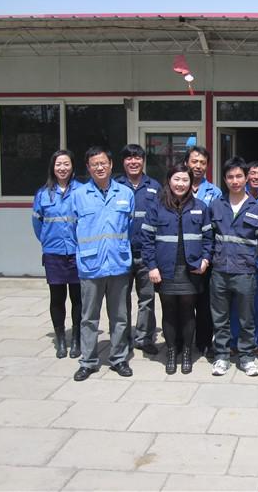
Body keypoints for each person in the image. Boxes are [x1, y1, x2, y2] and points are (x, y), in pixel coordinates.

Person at [72, 146, 135, 381]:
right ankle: (88, 361)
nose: (99, 167)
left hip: (118, 263)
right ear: (88, 168)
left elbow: (129, 227)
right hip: (91, 265)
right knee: (89, 318)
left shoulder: (125, 193)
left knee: (120, 316)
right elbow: (71, 228)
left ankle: (118, 358)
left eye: (103, 163)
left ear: (111, 165)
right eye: (94, 164)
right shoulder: (79, 195)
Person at [203, 156, 258, 377]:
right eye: (230, 177)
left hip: (245, 272)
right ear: (225, 179)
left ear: (246, 178)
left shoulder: (257, 208)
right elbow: (209, 238)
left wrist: (248, 260)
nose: (235, 181)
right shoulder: (216, 206)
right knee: (220, 318)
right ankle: (222, 356)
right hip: (219, 272)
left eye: (239, 176)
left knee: (246, 318)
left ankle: (247, 357)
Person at [141, 164, 208, 374]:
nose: (181, 184)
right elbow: (147, 240)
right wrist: (152, 266)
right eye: (176, 179)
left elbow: (209, 238)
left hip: (191, 269)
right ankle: (171, 351)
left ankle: (186, 352)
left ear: (191, 183)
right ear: (169, 181)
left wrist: (205, 260)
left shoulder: (200, 207)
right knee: (169, 311)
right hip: (165, 269)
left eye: (185, 180)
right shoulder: (156, 207)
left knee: (188, 312)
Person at [32, 150, 83, 359]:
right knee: (57, 298)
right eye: (58, 164)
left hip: (77, 252)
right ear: (53, 167)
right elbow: (37, 223)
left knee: (78, 298)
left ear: (72, 166)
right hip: (54, 253)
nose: (62, 168)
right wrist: (47, 241)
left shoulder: (81, 191)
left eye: (66, 164)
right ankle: (61, 340)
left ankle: (77, 339)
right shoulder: (43, 194)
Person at [114, 144, 160, 355]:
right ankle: (123, 337)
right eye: (129, 158)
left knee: (147, 298)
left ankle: (145, 338)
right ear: (123, 162)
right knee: (121, 300)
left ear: (143, 160)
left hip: (146, 253)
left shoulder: (154, 186)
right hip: (121, 253)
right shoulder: (115, 186)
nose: (133, 162)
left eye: (137, 158)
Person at [184, 146, 222, 357]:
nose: (198, 166)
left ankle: (204, 342)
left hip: (206, 257)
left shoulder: (214, 192)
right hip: (180, 256)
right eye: (194, 161)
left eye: (202, 163)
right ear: (186, 163)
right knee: (182, 302)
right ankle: (182, 342)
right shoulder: (177, 186)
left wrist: (208, 257)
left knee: (205, 303)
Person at [230, 161, 258, 356]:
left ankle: (256, 341)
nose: (256, 177)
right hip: (237, 263)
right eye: (252, 173)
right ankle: (234, 341)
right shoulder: (236, 197)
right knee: (236, 305)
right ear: (246, 177)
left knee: (257, 306)